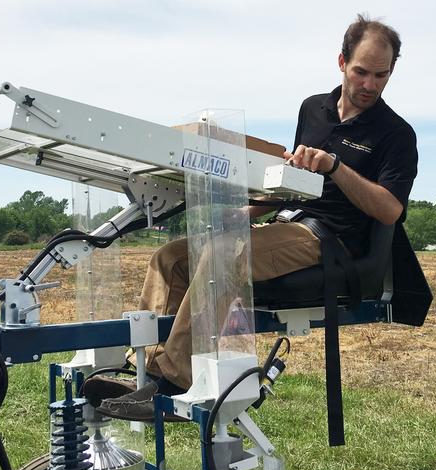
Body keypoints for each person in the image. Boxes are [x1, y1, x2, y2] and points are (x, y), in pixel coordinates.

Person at [91, 13, 418, 421]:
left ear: (392, 71)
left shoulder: (396, 134)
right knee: (170, 258)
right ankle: (149, 373)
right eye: (361, 72)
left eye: (381, 75)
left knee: (224, 254)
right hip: (285, 222)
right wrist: (250, 209)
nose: (369, 84)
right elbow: (294, 180)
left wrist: (335, 166)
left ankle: (174, 381)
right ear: (341, 62)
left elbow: (390, 209)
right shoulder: (313, 108)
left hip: (329, 240)